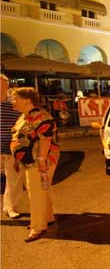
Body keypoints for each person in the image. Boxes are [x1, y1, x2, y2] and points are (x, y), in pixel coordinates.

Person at [11, 87, 60, 242]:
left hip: (39, 161)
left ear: (27, 101)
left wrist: (41, 160)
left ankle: (38, 227)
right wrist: (17, 160)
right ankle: (47, 217)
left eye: (16, 99)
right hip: (31, 161)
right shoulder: (25, 116)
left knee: (36, 193)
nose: (13, 102)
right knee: (41, 190)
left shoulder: (41, 116)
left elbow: (45, 139)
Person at [0, 74, 26, 219]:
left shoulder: (14, 103)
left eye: (3, 84)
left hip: (10, 147)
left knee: (13, 180)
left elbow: (22, 121)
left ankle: (11, 207)